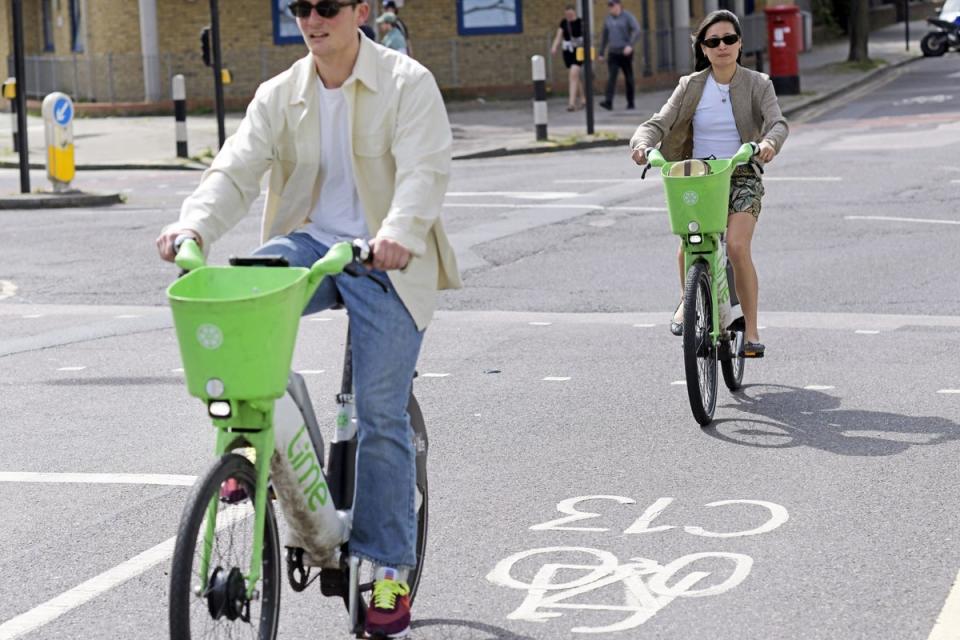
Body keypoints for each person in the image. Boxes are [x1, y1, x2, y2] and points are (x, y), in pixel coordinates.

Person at [155, 0, 461, 636]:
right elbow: (235, 169)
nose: (313, 19)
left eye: (327, 7)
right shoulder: (280, 93)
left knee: (381, 415)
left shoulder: (407, 82)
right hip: (311, 245)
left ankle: (388, 569)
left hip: (386, 261)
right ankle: (258, 444)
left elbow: (424, 171)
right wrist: (193, 224)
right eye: (301, 8)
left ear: (362, 11)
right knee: (240, 300)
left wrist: (400, 232)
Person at [629, 10, 788, 358]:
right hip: (698, 176)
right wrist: (641, 144)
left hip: (741, 173)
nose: (722, 46)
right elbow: (658, 123)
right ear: (703, 48)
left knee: (736, 246)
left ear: (740, 43)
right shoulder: (691, 86)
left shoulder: (758, 83)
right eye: (713, 41)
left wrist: (768, 145)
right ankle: (689, 303)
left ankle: (752, 331)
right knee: (691, 240)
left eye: (729, 39)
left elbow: (778, 122)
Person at [598, 0, 640, 111]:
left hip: (625, 52)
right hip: (613, 53)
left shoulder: (627, 17)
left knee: (629, 78)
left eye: (613, 5)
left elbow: (636, 30)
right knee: (611, 77)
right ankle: (608, 102)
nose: (611, 8)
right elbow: (604, 36)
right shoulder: (608, 19)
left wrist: (630, 45)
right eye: (609, 6)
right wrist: (601, 53)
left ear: (619, 5)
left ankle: (631, 102)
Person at [550, 5, 585, 111]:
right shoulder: (564, 23)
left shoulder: (581, 22)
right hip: (567, 52)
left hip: (578, 51)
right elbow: (559, 36)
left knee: (573, 74)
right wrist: (554, 46)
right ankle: (583, 98)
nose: (569, 16)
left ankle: (571, 103)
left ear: (574, 13)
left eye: (571, 14)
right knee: (575, 77)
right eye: (567, 15)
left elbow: (585, 37)